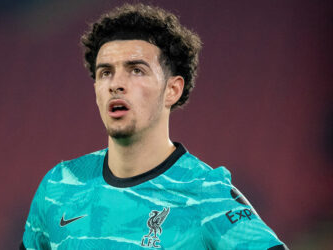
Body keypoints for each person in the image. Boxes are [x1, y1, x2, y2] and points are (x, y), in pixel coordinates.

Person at [20, 4, 287, 250]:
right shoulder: (59, 186)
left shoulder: (205, 193)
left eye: (136, 70)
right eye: (105, 72)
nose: (116, 84)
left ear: (172, 89)